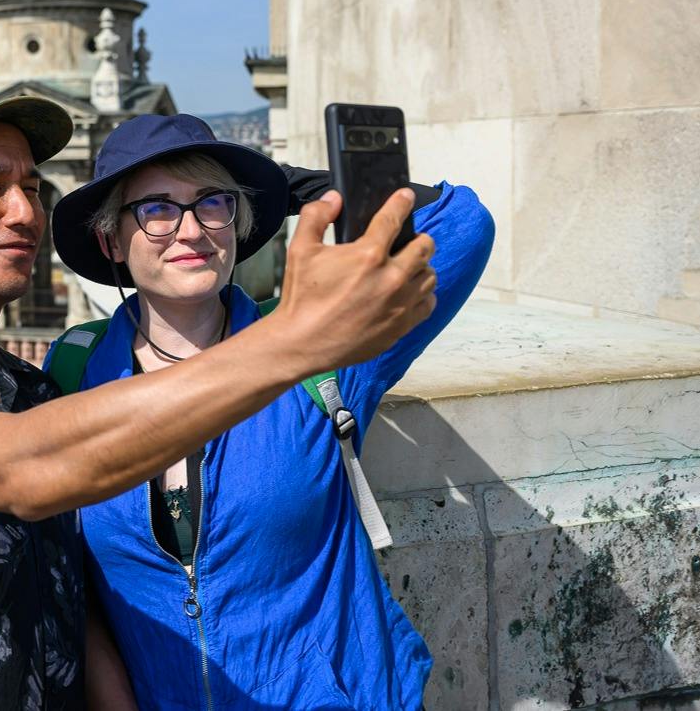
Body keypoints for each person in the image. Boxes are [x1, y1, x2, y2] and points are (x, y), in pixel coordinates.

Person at [0, 97, 444, 709]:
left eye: (33, 188)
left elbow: (73, 591)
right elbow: (17, 471)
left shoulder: (33, 388)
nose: (24, 211)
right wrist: (292, 340)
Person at [44, 112, 495, 710]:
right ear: (110, 240)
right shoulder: (75, 368)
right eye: (156, 209)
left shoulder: (323, 343)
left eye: (212, 203)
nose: (190, 230)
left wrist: (308, 190)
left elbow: (464, 222)